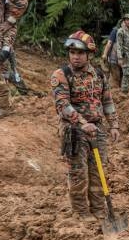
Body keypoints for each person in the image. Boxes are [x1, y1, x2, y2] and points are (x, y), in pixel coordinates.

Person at [49, 31, 120, 220]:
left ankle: (99, 210)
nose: (75, 57)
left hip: (97, 129)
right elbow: (63, 105)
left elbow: (107, 101)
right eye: (72, 53)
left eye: (79, 53)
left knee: (98, 172)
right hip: (74, 130)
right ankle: (81, 212)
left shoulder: (98, 75)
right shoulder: (62, 75)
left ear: (89, 54)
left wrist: (114, 125)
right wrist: (82, 123)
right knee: (78, 173)